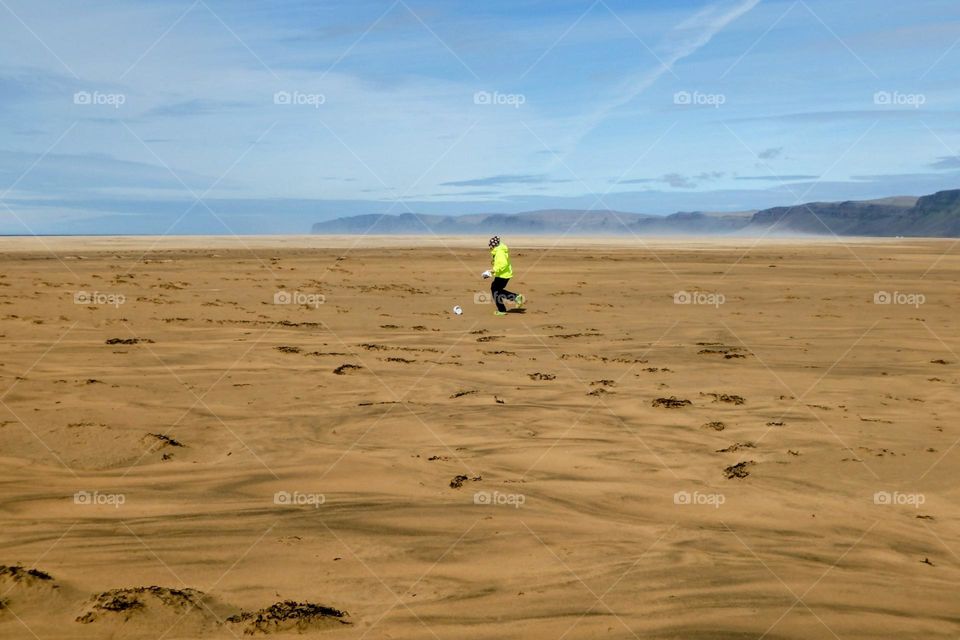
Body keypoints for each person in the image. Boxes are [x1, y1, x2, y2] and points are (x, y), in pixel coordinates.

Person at [483, 235, 524, 316]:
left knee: (495, 290)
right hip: (502, 274)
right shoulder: (498, 250)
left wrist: (492, 271)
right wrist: (492, 273)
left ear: (494, 245)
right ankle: (514, 299)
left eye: (490, 245)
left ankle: (505, 307)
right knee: (497, 290)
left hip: (503, 275)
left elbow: (503, 264)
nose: (489, 247)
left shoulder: (499, 252)